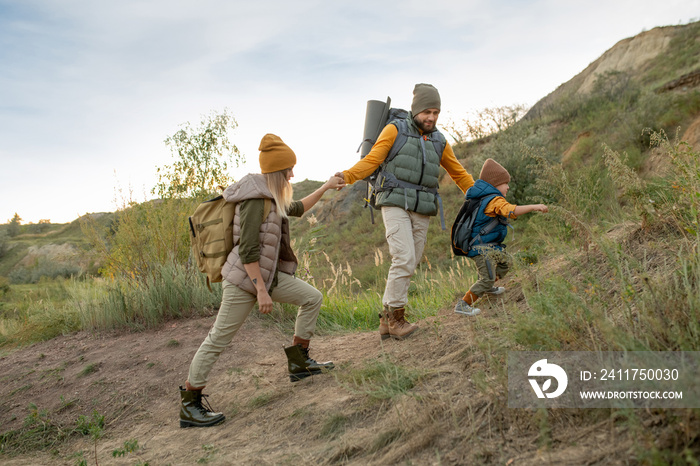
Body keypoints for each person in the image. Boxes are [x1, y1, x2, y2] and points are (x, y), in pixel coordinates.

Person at [179, 133, 346, 428]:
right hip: (245, 280)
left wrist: (326, 186)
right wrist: (261, 291)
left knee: (312, 298)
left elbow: (298, 208)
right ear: (276, 171)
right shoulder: (255, 199)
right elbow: (247, 250)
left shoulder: (273, 196)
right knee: (219, 338)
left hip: (266, 277)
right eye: (288, 170)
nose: (293, 174)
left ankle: (300, 363)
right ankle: (190, 405)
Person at [335, 83, 475, 340]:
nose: (431, 117)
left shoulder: (440, 140)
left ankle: (386, 320)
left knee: (411, 262)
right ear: (415, 111)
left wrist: (480, 194)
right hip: (395, 202)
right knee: (404, 257)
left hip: (423, 207)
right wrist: (347, 176)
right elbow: (372, 160)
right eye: (426, 112)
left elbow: (458, 173)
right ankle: (396, 320)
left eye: (436, 112)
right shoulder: (394, 129)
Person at [454, 158, 548, 316]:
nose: (508, 186)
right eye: (505, 183)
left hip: (488, 246)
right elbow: (510, 210)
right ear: (495, 184)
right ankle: (463, 304)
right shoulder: (493, 200)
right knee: (487, 277)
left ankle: (488, 286)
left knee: (506, 262)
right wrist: (534, 206)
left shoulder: (488, 198)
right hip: (480, 248)